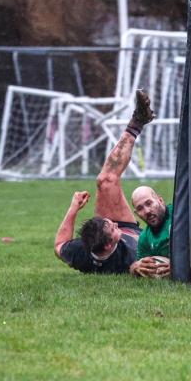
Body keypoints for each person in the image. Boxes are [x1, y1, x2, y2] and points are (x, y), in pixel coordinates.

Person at [54, 90, 154, 274]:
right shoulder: (131, 256)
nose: (115, 223)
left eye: (108, 222)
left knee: (105, 180)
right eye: (113, 227)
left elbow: (59, 245)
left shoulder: (80, 252)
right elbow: (143, 266)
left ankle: (137, 121)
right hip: (141, 237)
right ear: (109, 245)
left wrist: (74, 207)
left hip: (108, 242)